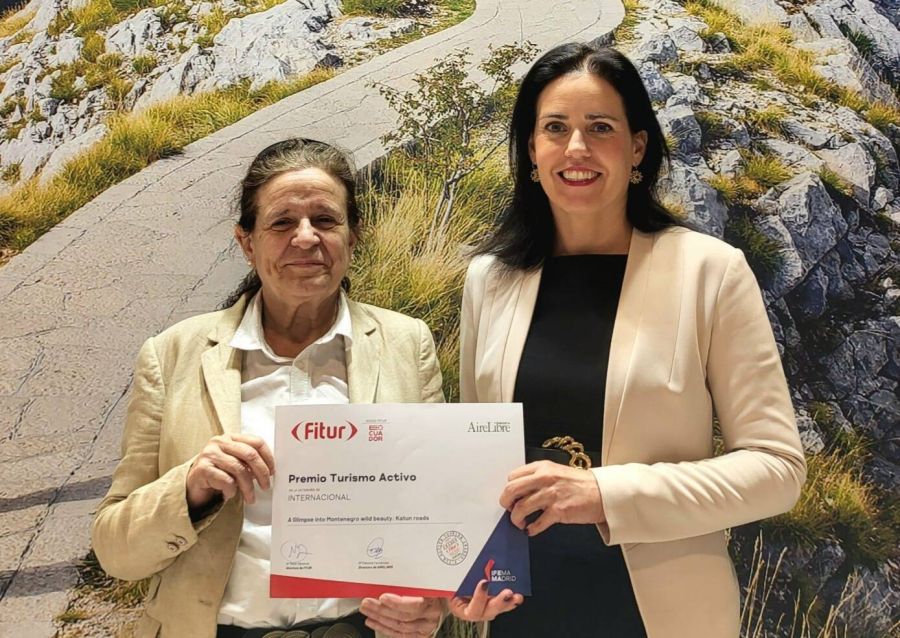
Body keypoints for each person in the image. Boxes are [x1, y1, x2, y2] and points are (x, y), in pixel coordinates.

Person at [451, 43, 807, 637]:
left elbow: (777, 470)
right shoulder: (490, 278)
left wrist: (603, 493)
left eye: (600, 128)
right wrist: (467, 573)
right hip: (519, 609)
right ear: (532, 150)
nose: (576, 148)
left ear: (637, 147)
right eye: (555, 128)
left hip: (659, 613)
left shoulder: (709, 271)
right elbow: (474, 457)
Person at [91, 138, 446, 638]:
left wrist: (434, 603)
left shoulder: (407, 343)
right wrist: (189, 488)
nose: (306, 237)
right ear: (247, 243)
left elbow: (437, 511)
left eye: (325, 220)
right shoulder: (172, 355)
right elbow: (115, 551)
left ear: (353, 236)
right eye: (281, 222)